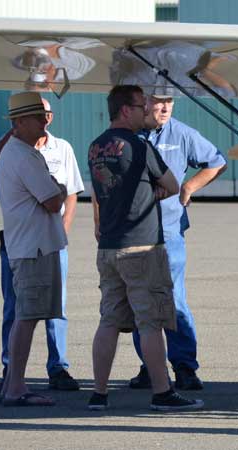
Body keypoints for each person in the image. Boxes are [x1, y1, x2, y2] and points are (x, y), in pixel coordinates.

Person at [86, 84, 201, 412]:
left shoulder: (96, 146)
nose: (146, 111)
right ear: (125, 110)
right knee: (150, 322)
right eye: (140, 106)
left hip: (108, 246)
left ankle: (99, 393)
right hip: (142, 246)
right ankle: (162, 392)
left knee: (109, 320)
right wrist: (152, 193)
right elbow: (172, 184)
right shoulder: (139, 146)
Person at [125, 88, 227, 391]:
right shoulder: (131, 135)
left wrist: (189, 187)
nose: (165, 107)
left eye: (169, 101)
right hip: (135, 231)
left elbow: (216, 161)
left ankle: (184, 367)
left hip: (168, 230)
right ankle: (149, 365)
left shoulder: (182, 134)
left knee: (174, 300)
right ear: (144, 103)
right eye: (159, 101)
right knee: (140, 301)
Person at [0, 98, 82, 393]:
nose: (45, 122)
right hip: (33, 248)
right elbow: (53, 200)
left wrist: (60, 196)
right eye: (38, 117)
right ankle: (14, 384)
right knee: (24, 316)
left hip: (39, 244)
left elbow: (67, 193)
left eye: (46, 115)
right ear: (18, 122)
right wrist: (58, 188)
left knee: (42, 312)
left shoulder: (46, 148)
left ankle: (44, 371)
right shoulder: (22, 154)